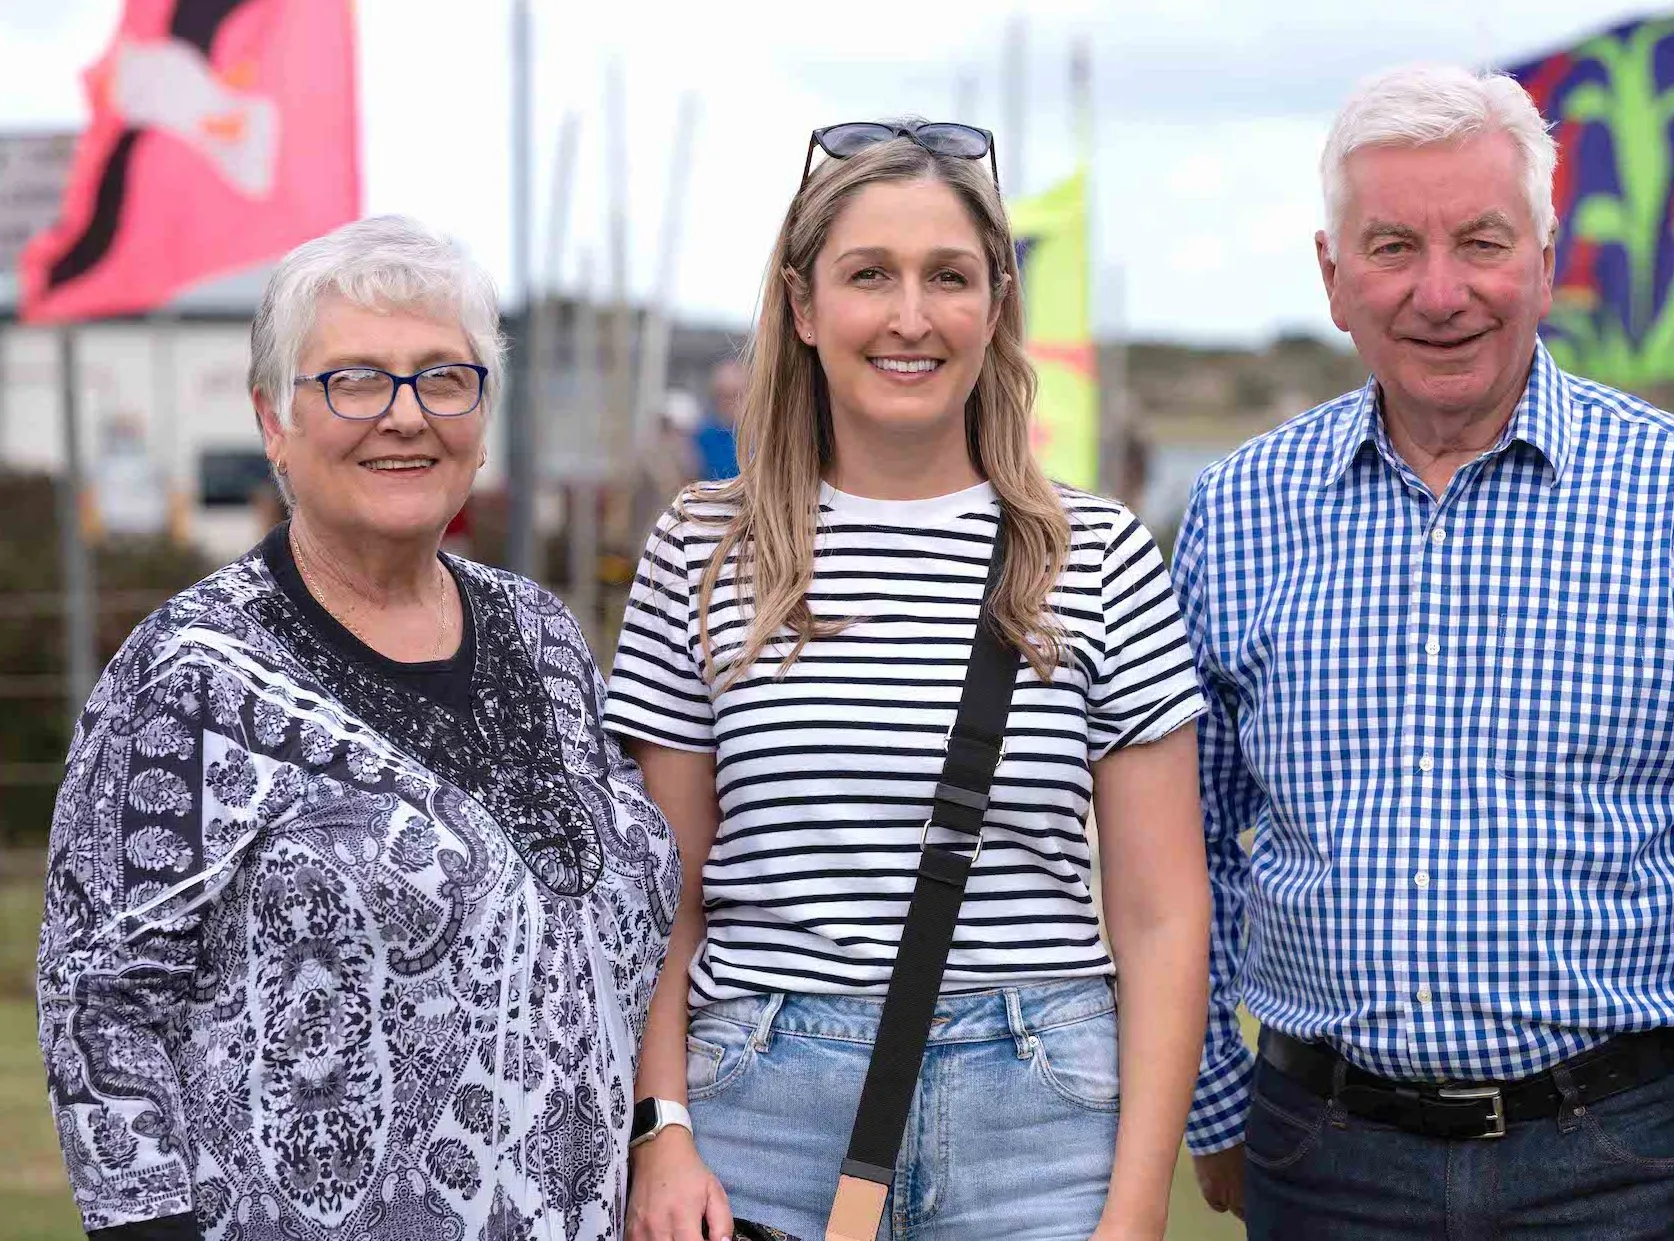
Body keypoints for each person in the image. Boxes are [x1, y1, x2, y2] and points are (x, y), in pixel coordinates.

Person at [1173, 65, 1674, 1240]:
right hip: (1321, 1158)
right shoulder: (1237, 512)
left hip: (1619, 1154)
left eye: (1480, 242)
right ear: (1333, 279)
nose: (1440, 293)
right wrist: (1216, 1099)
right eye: (1391, 247)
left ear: (1543, 262)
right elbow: (1177, 848)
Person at [608, 119, 1210, 1241]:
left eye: (948, 276)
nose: (909, 316)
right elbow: (657, 901)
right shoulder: (701, 549)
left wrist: (1133, 1210)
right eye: (867, 275)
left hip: (1038, 1116)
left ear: (996, 304)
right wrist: (663, 1126)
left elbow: (1162, 913)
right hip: (759, 1110)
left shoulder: (1098, 554)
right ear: (801, 305)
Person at [37, 215, 680, 1241]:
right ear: (273, 418)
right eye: (353, 379)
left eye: (442, 377)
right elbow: (99, 1009)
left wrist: (662, 1127)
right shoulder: (190, 672)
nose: (404, 415)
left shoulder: (545, 636)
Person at [692, 358, 746, 481]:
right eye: (723, 395)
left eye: (735, 395)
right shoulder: (701, 437)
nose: (730, 403)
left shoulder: (760, 437)